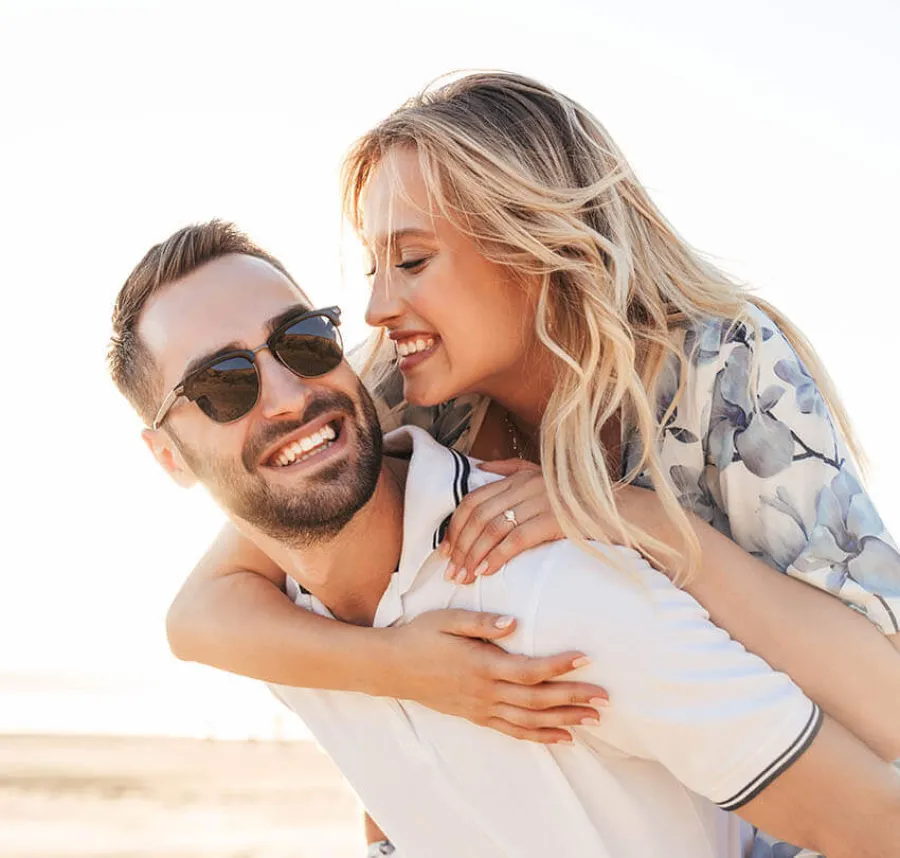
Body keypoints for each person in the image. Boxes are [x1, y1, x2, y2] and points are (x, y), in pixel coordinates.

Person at [159, 74, 900, 853]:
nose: (375, 306)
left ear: (537, 247)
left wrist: (629, 520)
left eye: (410, 260)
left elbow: (885, 705)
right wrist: (405, 669)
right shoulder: (404, 388)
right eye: (373, 267)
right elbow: (202, 616)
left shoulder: (725, 366)